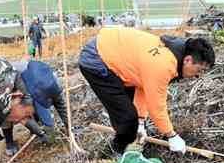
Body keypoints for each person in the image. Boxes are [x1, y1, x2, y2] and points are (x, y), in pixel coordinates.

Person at [78, 28, 215, 156]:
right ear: (188, 60)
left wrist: (141, 120)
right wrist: (171, 135)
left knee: (133, 120)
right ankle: (115, 154)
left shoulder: (174, 55)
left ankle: (127, 140)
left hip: (114, 53)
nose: (198, 76)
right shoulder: (163, 65)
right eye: (199, 70)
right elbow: (157, 108)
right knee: (127, 119)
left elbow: (143, 85)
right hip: (97, 58)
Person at [2, 60, 70, 157]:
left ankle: (38, 129)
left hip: (30, 83)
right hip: (3, 83)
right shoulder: (13, 84)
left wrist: (69, 126)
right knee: (7, 112)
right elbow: (23, 116)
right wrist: (41, 133)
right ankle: (9, 143)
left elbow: (60, 104)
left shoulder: (52, 82)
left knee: (36, 111)